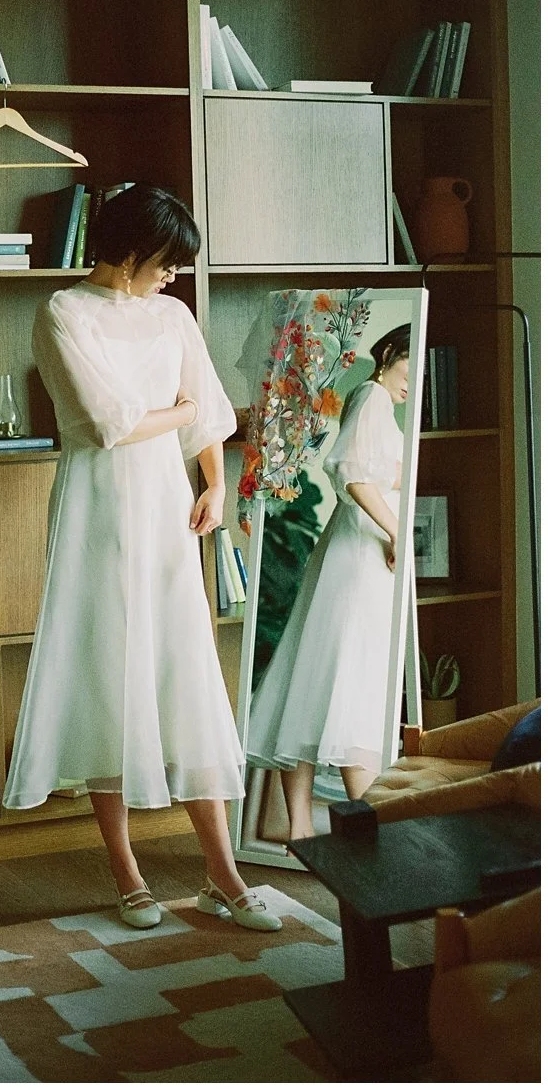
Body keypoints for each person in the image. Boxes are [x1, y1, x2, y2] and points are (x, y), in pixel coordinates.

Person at [3, 184, 281, 932]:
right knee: (107, 679)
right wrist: (184, 409)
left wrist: (216, 487)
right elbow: (106, 424)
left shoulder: (173, 315)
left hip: (166, 513)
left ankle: (223, 875)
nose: (174, 276)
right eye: (167, 262)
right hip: (97, 515)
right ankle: (128, 875)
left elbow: (213, 413)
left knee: (184, 673)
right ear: (128, 254)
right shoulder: (62, 311)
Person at [246, 325, 410, 841]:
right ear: (390, 356)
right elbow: (351, 473)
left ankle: (302, 831)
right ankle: (364, 829)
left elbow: (376, 474)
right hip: (357, 550)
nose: (416, 380)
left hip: (355, 548)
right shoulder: (372, 396)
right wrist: (396, 530)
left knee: (320, 677)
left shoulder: (376, 402)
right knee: (345, 679)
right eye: (412, 365)